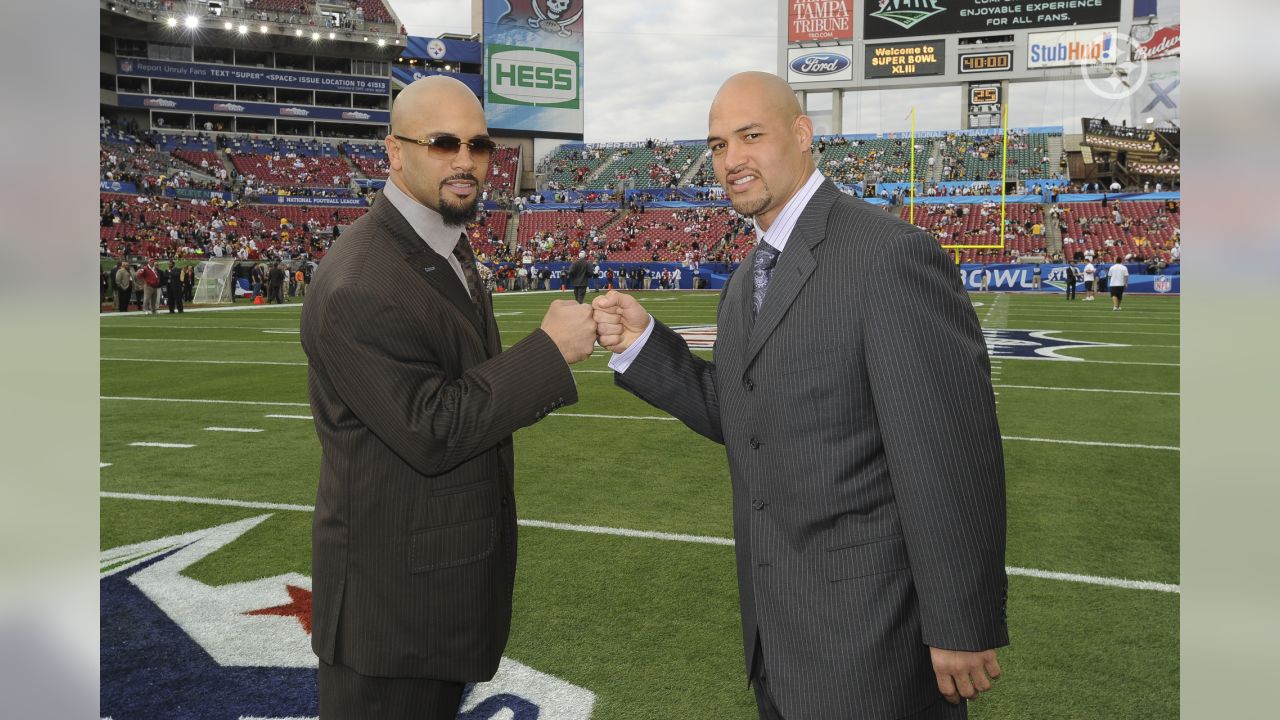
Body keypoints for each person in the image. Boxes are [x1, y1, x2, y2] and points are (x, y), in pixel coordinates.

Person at [593, 71, 1006, 720]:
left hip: (871, 638)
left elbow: (948, 452)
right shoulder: (745, 280)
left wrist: (961, 620)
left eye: (750, 136)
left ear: (802, 134)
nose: (732, 160)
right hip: (777, 634)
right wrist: (647, 346)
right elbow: (748, 419)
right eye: (719, 145)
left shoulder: (887, 255)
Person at [299, 76, 597, 720]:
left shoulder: (439, 242)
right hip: (391, 617)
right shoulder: (361, 281)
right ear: (394, 152)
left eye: (480, 145)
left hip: (431, 596)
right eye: (442, 143)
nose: (466, 161)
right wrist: (547, 352)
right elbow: (431, 427)